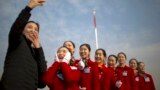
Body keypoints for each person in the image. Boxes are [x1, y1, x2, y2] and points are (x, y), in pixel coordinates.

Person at [0, 0, 47, 90]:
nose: (33, 30)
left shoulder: (37, 52)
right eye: (29, 27)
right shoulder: (17, 41)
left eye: (36, 29)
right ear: (22, 30)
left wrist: (38, 48)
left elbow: (42, 81)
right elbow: (17, 27)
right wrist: (28, 8)